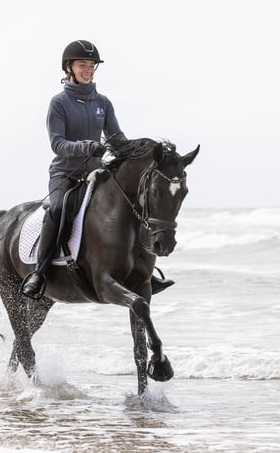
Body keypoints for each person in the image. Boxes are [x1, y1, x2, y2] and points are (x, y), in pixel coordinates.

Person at [20, 40, 174, 300]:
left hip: (96, 173)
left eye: (92, 66)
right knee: (58, 209)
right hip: (66, 175)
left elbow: (117, 138)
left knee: (133, 206)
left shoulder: (103, 102)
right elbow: (57, 143)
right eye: (83, 65)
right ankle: (40, 272)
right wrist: (86, 147)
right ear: (69, 68)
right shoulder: (59, 103)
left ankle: (144, 272)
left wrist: (142, 151)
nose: (88, 70)